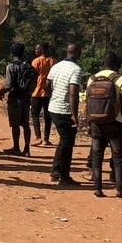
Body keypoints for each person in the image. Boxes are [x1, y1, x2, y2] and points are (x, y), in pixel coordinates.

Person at [86, 51, 122, 198]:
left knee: (97, 155)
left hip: (96, 123)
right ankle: (119, 190)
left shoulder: (92, 79)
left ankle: (98, 189)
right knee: (117, 156)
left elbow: (88, 104)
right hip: (115, 123)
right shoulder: (121, 80)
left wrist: (89, 123)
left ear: (103, 63)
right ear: (116, 64)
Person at [44, 43, 83, 185]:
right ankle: (64, 177)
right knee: (68, 143)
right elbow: (73, 93)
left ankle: (55, 171)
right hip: (65, 110)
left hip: (53, 107)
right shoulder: (76, 69)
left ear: (67, 52)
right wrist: (74, 114)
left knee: (63, 140)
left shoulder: (56, 66)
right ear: (78, 53)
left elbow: (47, 85)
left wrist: (54, 96)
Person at [0, 43, 33, 156]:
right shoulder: (28, 66)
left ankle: (16, 147)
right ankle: (27, 149)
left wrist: (2, 91)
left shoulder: (10, 66)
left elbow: (8, 85)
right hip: (26, 98)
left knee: (15, 124)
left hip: (15, 98)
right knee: (26, 124)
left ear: (12, 53)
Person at [30, 44, 56, 146]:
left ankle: (38, 137)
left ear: (41, 50)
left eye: (37, 49)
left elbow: (32, 77)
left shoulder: (36, 61)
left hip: (36, 92)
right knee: (48, 116)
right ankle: (46, 139)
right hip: (48, 93)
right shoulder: (53, 61)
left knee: (35, 115)